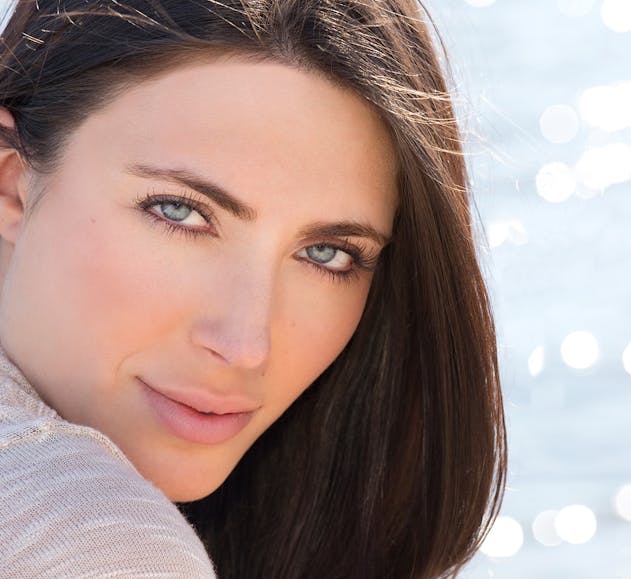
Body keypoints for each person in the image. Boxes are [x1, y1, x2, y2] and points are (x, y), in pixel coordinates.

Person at [0, 0, 506, 577]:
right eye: (179, 212)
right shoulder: (93, 542)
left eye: (327, 253)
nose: (245, 345)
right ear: (12, 183)